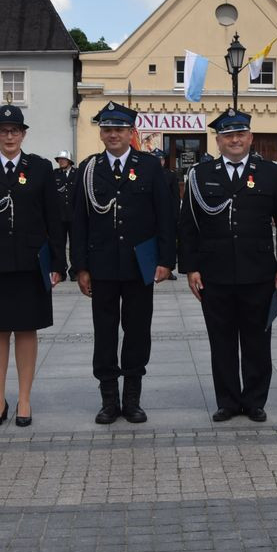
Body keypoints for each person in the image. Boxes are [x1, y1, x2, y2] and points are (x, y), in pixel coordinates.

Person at [179, 108, 277, 422]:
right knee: (222, 340)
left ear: (250, 137)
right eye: (228, 135)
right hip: (214, 274)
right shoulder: (201, 175)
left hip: (259, 272)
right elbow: (188, 224)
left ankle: (255, 400)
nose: (235, 140)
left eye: (240, 134)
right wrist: (191, 268)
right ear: (218, 140)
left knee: (258, 341)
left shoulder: (271, 173)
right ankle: (228, 401)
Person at [0, 104, 66, 427]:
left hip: (29, 262)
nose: (9, 136)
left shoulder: (41, 168)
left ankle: (23, 398)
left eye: (15, 131)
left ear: (23, 134)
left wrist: (59, 262)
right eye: (3, 131)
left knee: (26, 329)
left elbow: (55, 218)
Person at [72, 103, 176, 424]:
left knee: (137, 331)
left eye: (119, 129)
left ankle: (132, 399)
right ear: (101, 133)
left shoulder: (149, 167)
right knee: (104, 332)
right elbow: (77, 222)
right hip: (101, 264)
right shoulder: (88, 169)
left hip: (139, 264)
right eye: (107, 128)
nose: (113, 134)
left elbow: (165, 217)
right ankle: (108, 400)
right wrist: (80, 267)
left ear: (132, 133)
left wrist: (165, 261)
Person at [152, 148, 181, 280]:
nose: (159, 162)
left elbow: (175, 197)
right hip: (151, 215)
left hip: (167, 215)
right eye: (156, 159)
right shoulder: (148, 174)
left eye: (161, 159)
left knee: (168, 242)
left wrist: (175, 215)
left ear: (164, 161)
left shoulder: (170, 175)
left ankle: (168, 269)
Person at [53, 150, 77, 278]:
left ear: (69, 161)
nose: (61, 161)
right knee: (59, 244)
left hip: (74, 215)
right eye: (59, 160)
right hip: (59, 216)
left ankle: (74, 271)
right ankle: (61, 271)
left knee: (75, 244)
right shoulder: (54, 174)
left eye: (63, 159)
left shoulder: (77, 174)